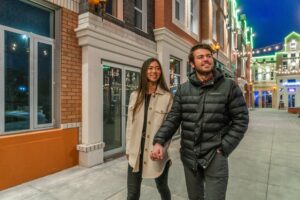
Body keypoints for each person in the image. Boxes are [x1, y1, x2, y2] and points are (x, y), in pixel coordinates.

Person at [151, 43, 249, 200]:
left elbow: (241, 120)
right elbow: (173, 118)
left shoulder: (229, 87)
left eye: (209, 56)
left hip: (215, 155)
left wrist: (224, 147)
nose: (206, 59)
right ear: (192, 63)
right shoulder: (183, 90)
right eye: (200, 57)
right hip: (190, 156)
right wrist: (159, 141)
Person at [126, 58, 173, 200]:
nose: (154, 71)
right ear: (144, 71)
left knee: (162, 188)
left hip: (156, 151)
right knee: (132, 194)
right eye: (150, 68)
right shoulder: (135, 95)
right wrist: (128, 149)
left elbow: (169, 127)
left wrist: (163, 149)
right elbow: (130, 125)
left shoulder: (168, 97)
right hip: (136, 151)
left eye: (157, 68)